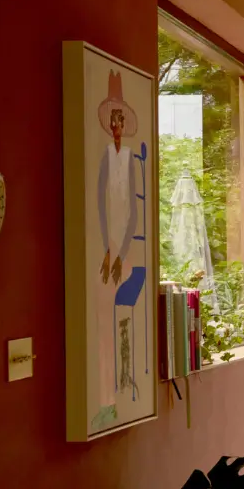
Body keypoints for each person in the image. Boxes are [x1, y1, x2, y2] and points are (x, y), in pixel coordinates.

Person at [93, 70, 138, 427]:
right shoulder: (107, 156)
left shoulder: (131, 160)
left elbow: (134, 211)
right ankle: (105, 397)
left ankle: (123, 391)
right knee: (102, 315)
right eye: (113, 119)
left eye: (121, 119)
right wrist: (107, 250)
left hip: (126, 247)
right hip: (108, 244)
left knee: (124, 316)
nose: (117, 125)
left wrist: (121, 252)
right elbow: (100, 202)